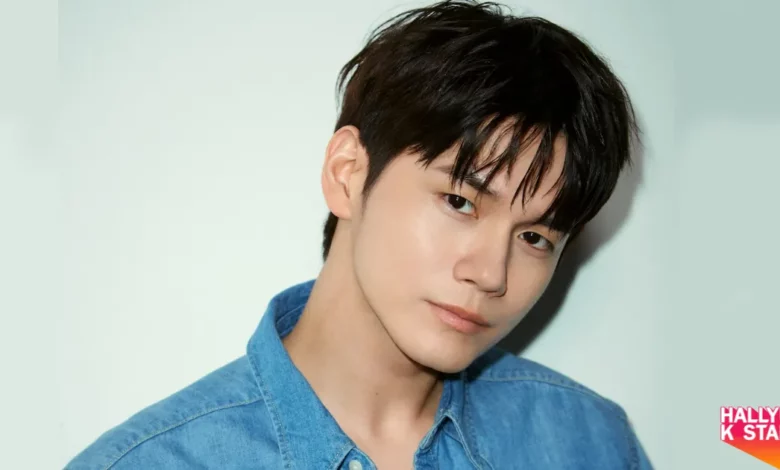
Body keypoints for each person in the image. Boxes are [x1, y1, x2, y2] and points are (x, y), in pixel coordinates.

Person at [67, 1, 652, 468]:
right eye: (460, 202)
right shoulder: (150, 462)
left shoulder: (588, 442)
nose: (490, 274)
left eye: (535, 238)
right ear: (347, 173)